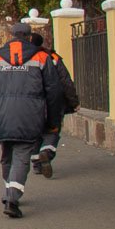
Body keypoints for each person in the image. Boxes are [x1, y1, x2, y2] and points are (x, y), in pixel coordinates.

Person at [0, 22, 64, 219]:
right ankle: (12, 199)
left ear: (11, 35)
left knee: (7, 154)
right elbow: (53, 90)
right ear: (29, 36)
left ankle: (9, 190)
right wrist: (53, 120)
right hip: (30, 115)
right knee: (22, 156)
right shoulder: (41, 57)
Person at [28, 31, 79, 179]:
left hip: (32, 102)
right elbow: (65, 81)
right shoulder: (53, 57)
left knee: (35, 132)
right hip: (54, 102)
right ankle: (47, 152)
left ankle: (37, 163)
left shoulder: (24, 59)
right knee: (52, 130)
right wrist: (73, 102)